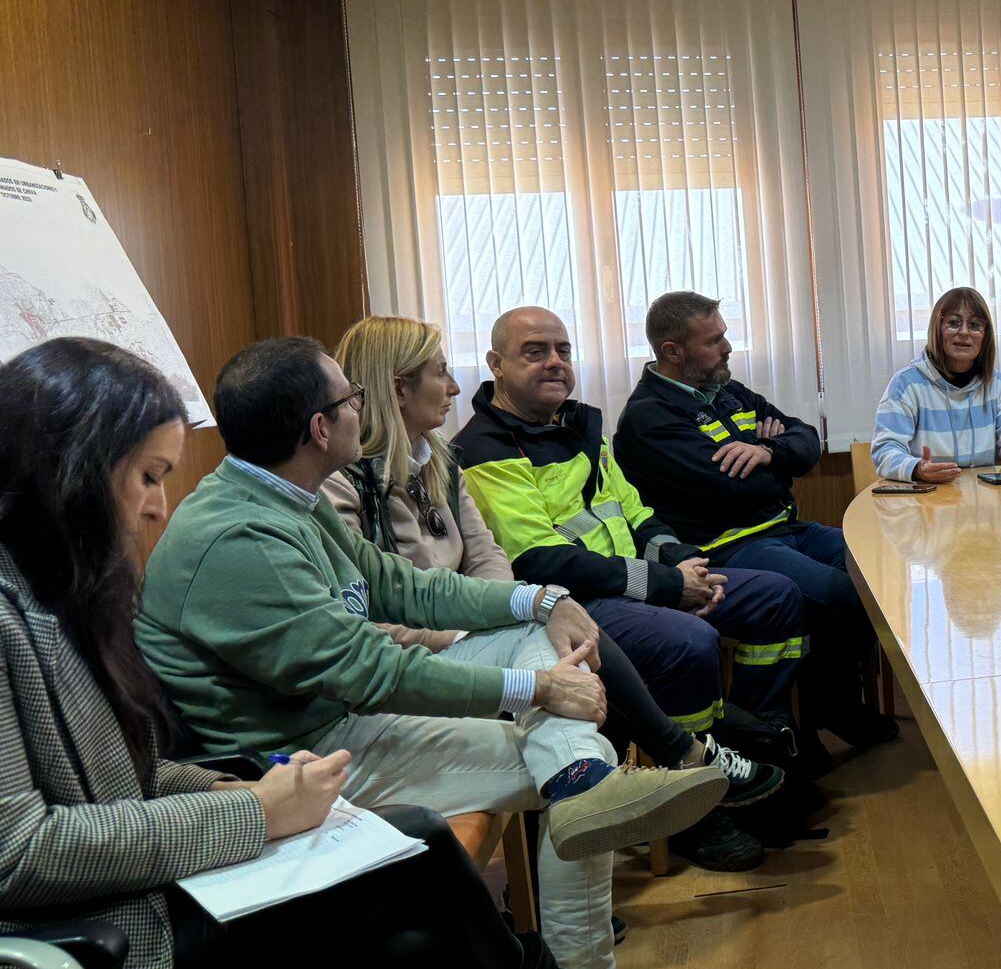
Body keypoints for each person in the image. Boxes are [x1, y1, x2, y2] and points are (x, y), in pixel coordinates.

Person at [2, 340, 698, 969]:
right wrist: (249, 812)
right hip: (95, 955)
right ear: (74, 473)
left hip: (167, 878)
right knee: (425, 848)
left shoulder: (74, 592)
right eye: (149, 477)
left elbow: (130, 773)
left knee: (415, 932)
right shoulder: (169, 560)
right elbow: (20, 852)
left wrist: (214, 794)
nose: (160, 505)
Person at [136, 337, 727, 969]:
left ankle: (581, 950)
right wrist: (539, 689)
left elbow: (408, 588)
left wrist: (540, 599)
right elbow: (373, 671)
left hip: (345, 727)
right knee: (574, 763)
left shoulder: (285, 495)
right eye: (352, 398)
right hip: (291, 767)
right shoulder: (239, 536)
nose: (363, 407)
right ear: (320, 427)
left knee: (574, 756)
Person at [330, 315, 784, 872]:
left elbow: (491, 554)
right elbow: (527, 563)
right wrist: (491, 624)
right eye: (442, 373)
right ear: (398, 385)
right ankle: (688, 763)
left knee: (770, 596)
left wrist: (669, 567)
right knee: (631, 647)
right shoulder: (357, 480)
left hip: (505, 621)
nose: (453, 387)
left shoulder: (441, 456)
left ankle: (708, 755)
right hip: (430, 652)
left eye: (563, 349)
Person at [449, 307, 821, 858]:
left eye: (564, 350)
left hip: (639, 584)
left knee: (774, 595)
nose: (555, 362)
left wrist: (687, 565)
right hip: (570, 607)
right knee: (688, 641)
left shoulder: (579, 425)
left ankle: (757, 737)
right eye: (536, 351)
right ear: (495, 366)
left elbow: (636, 512)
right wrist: (669, 588)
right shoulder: (484, 449)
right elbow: (540, 560)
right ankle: (696, 807)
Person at [614, 292, 899, 757]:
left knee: (878, 565)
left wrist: (768, 452)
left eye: (724, 335)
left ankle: (827, 707)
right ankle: (818, 715)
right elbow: (736, 488)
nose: (727, 347)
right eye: (714, 340)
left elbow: (804, 436)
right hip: (729, 549)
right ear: (672, 351)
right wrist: (776, 458)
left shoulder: (728, 392)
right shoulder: (649, 419)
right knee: (843, 593)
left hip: (785, 529)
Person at [871, 286, 1001, 483]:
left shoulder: (996, 385)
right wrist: (917, 469)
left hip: (985, 504)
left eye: (975, 325)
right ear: (937, 329)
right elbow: (885, 449)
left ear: (985, 336)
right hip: (927, 503)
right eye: (953, 322)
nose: (964, 332)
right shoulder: (906, 385)